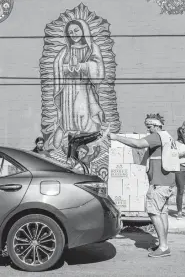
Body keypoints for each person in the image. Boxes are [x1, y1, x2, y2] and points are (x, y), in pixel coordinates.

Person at [107, 113, 176, 258]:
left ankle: (163, 247)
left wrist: (115, 137)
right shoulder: (167, 136)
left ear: (157, 126)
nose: (148, 130)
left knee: (153, 212)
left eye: (150, 127)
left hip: (159, 183)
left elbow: (138, 144)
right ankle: (164, 244)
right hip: (167, 182)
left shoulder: (157, 136)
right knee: (162, 213)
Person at [53, 19, 106, 148]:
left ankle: (88, 145)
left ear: (83, 31)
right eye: (70, 32)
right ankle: (65, 147)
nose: (74, 34)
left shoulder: (92, 48)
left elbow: (98, 69)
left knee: (85, 117)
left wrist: (81, 66)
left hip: (83, 89)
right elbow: (58, 68)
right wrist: (67, 68)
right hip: (67, 92)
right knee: (67, 121)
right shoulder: (65, 51)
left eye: (76, 30)